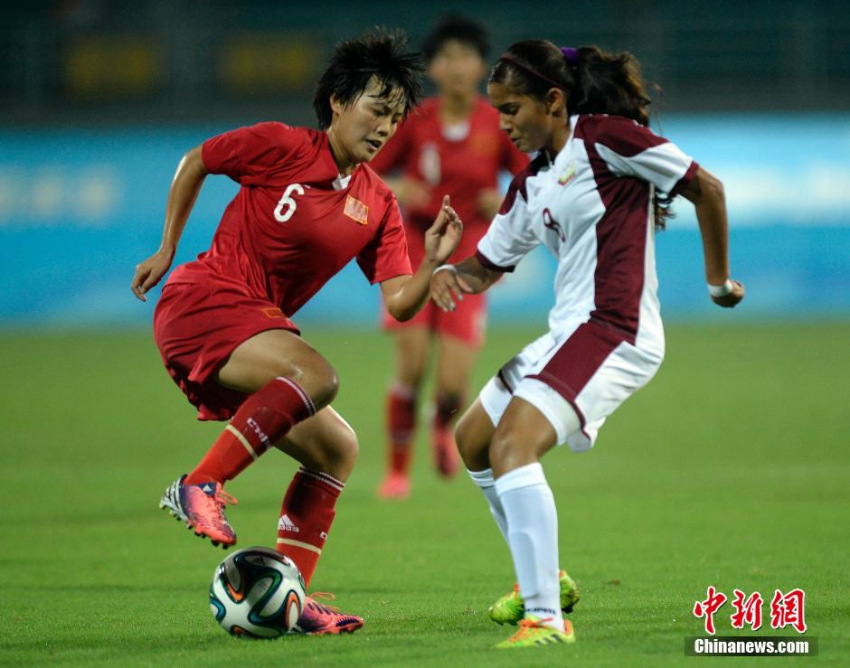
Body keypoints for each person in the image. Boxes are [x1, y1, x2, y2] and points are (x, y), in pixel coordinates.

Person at [130, 30, 462, 636]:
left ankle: (294, 599)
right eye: (375, 108)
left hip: (255, 332)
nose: (385, 127)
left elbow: (400, 301)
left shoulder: (379, 204)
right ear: (337, 101)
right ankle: (201, 482)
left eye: (394, 117)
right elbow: (198, 160)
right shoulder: (281, 145)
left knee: (338, 449)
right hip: (203, 300)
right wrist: (167, 246)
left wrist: (434, 260)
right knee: (317, 375)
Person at [431, 40, 745, 649]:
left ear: (553, 100)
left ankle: (546, 617)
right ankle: (543, 578)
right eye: (496, 111)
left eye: (512, 108)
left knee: (513, 443)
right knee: (472, 438)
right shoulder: (533, 180)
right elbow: (486, 267)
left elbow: (706, 187)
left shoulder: (605, 136)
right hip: (568, 331)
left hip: (616, 329)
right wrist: (448, 269)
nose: (503, 124)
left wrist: (718, 283)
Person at [370, 15, 528, 499]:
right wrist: (399, 186)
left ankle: (444, 429)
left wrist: (500, 199)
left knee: (455, 383)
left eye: (467, 56)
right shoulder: (415, 120)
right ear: (432, 68)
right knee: (412, 366)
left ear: (482, 65)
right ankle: (397, 471)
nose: (458, 66)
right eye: (447, 57)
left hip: (471, 261)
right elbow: (367, 173)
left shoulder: (497, 121)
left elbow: (529, 184)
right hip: (414, 251)